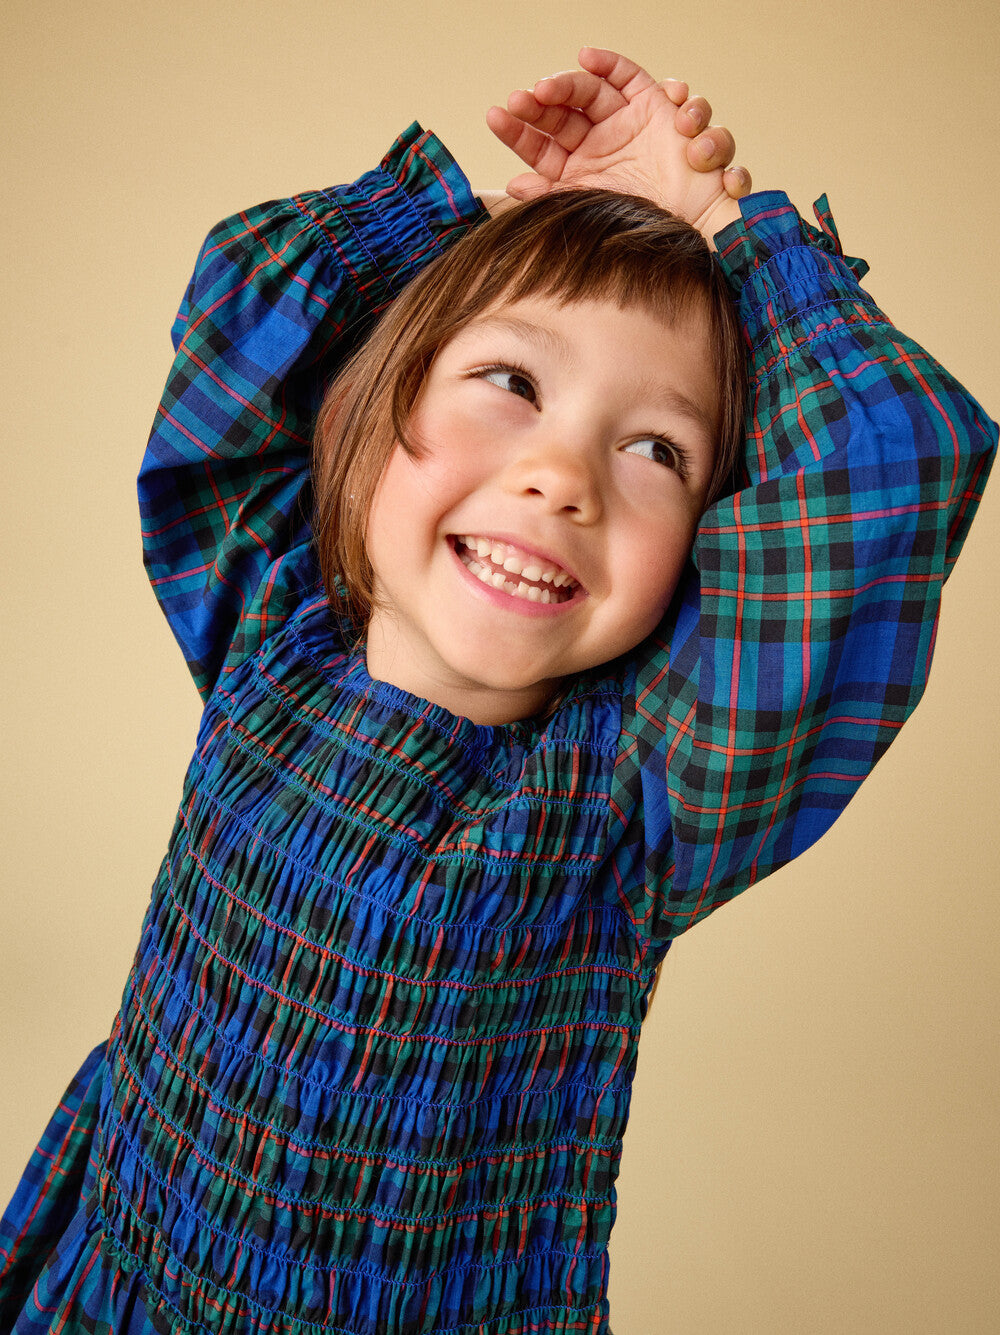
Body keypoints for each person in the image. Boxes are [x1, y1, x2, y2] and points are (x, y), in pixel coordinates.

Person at [0, 45, 994, 1335]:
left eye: (657, 449)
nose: (562, 477)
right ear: (377, 399)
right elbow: (243, 296)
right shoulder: (271, 632)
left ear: (702, 536)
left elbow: (899, 459)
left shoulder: (639, 797)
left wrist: (727, 229)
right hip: (109, 1281)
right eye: (513, 383)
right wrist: (495, 223)